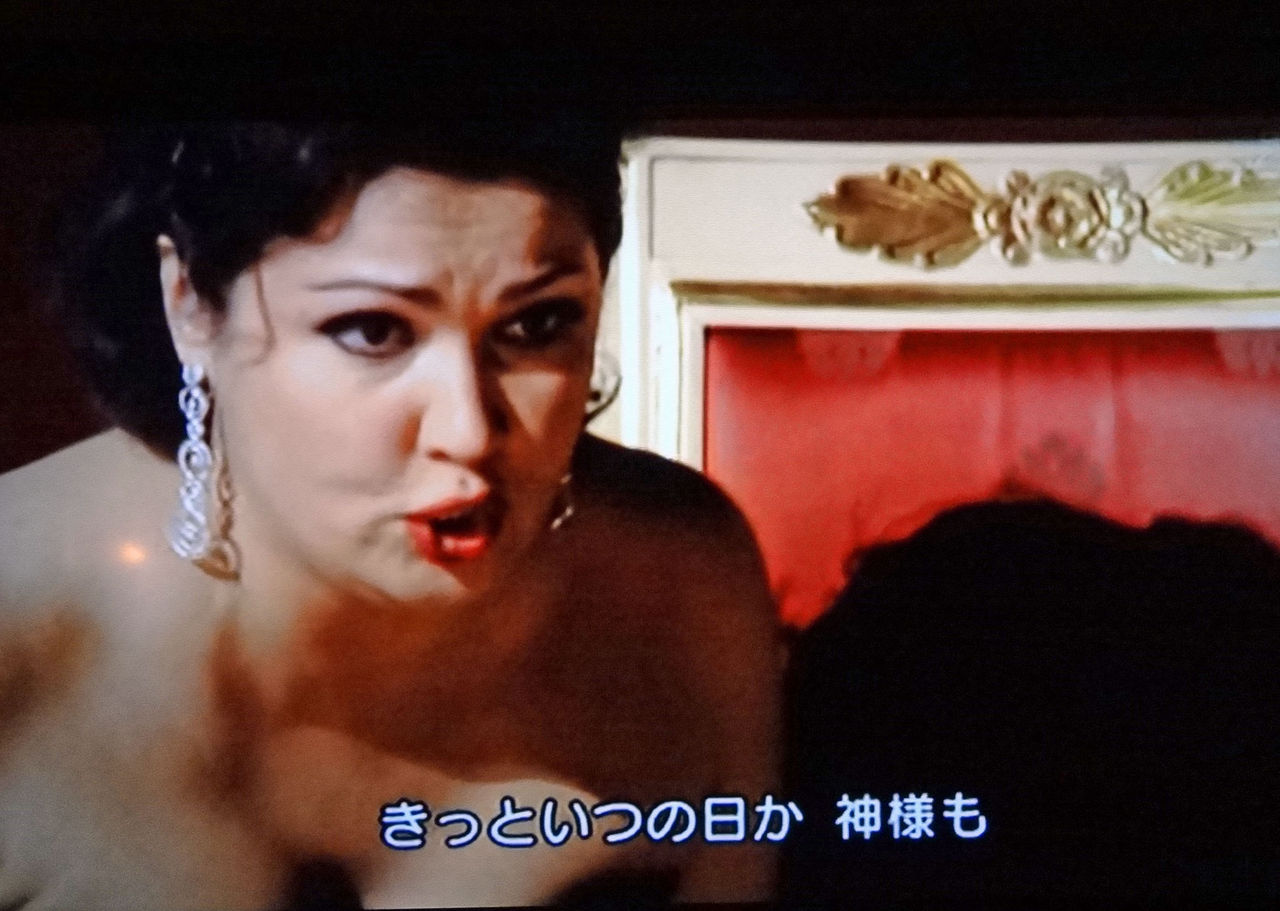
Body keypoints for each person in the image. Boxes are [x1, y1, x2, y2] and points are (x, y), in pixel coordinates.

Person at [0, 122, 782, 909]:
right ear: (191, 307)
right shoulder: (24, 620)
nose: (469, 432)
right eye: (373, 330)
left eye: (538, 325)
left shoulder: (680, 578)